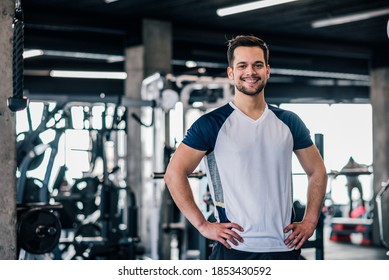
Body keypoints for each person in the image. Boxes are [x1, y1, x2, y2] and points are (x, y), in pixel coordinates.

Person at [164, 35, 328, 260]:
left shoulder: (289, 121)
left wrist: (310, 221)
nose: (250, 72)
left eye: (257, 65)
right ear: (231, 72)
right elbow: (174, 174)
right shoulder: (211, 124)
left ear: (267, 70)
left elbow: (317, 171)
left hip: (285, 247)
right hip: (234, 249)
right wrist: (202, 225)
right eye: (242, 66)